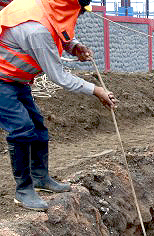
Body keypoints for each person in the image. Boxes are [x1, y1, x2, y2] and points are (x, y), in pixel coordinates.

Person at [0, 0, 116, 211]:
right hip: (2, 79)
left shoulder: (48, 6)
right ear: (71, 6)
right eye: (80, 11)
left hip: (16, 79)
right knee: (21, 128)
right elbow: (59, 77)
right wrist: (97, 90)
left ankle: (40, 178)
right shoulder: (36, 30)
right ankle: (23, 191)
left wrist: (74, 46)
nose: (80, 16)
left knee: (38, 127)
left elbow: (58, 30)